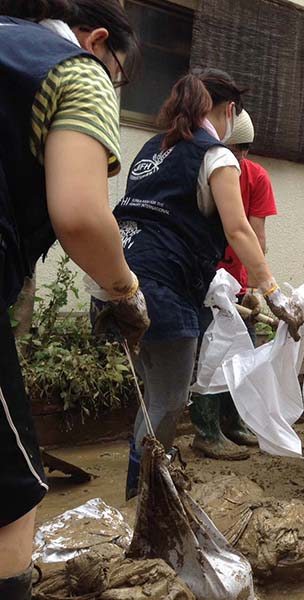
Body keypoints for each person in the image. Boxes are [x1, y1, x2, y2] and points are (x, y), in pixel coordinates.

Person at [0, 1, 145, 596]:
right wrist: (124, 289)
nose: (114, 86)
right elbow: (83, 216)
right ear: (99, 41)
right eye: (120, 75)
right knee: (13, 490)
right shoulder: (74, 69)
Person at [107, 68, 303, 500]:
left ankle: (148, 484)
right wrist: (273, 293)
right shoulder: (216, 154)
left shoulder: (151, 148)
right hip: (163, 290)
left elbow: (159, 217)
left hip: (118, 280)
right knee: (167, 401)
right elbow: (239, 230)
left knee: (153, 397)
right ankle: (144, 498)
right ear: (229, 110)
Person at [189, 109, 279, 460]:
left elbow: (256, 236)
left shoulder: (253, 176)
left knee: (239, 355)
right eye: (236, 148)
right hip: (205, 281)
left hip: (235, 283)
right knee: (209, 356)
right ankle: (206, 431)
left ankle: (233, 423)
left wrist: (257, 288)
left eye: (245, 150)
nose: (241, 157)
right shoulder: (211, 168)